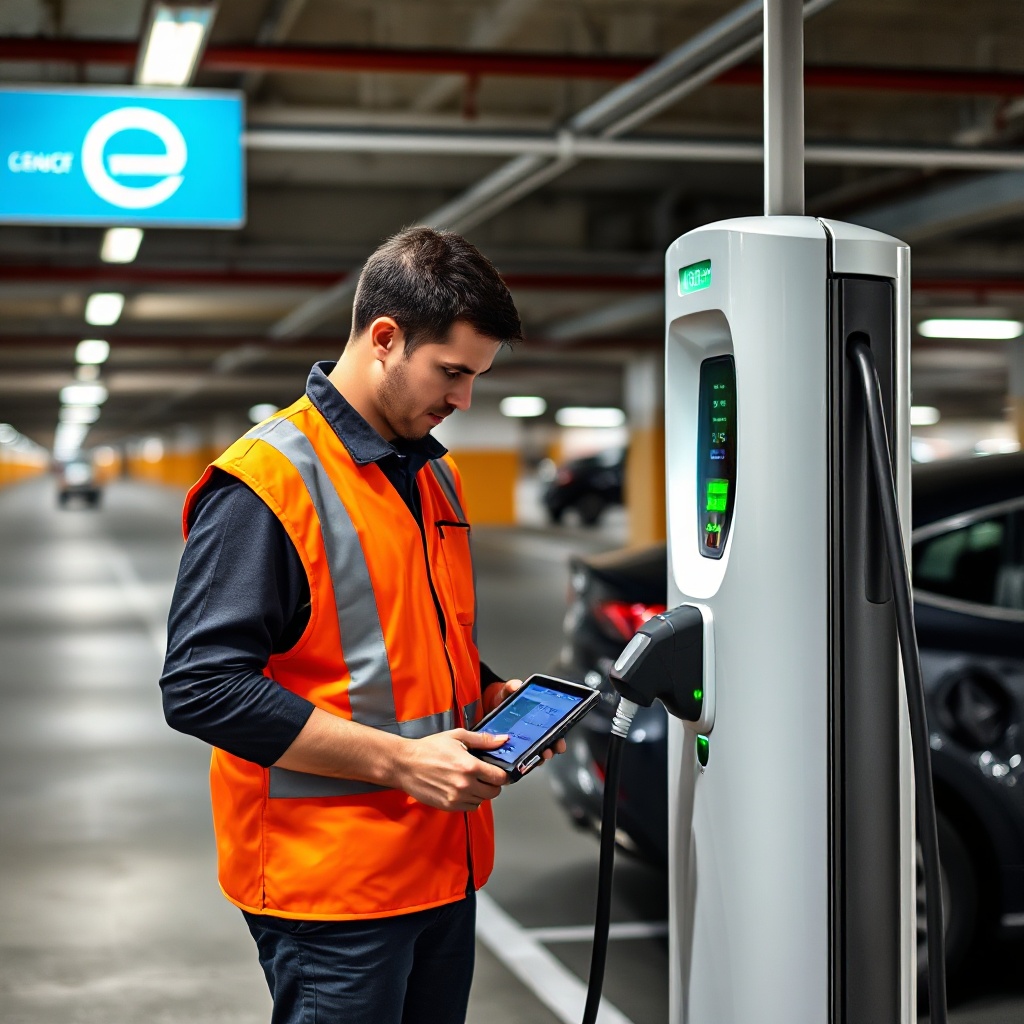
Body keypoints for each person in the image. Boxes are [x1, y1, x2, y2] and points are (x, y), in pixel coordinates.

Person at [160, 227, 563, 1024]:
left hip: (441, 866)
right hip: (333, 888)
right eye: (452, 372)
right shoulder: (267, 481)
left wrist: (487, 696)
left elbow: (411, 633)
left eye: (476, 377)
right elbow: (200, 688)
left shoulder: (434, 474)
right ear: (385, 338)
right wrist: (404, 762)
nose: (463, 400)